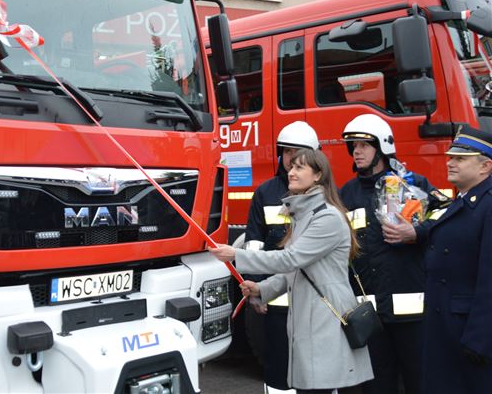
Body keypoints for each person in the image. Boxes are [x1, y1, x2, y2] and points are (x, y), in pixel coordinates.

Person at [210, 148, 373, 394]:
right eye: (291, 166)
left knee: (318, 389)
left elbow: (290, 259)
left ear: (318, 175)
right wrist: (262, 289)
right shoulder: (305, 214)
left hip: (325, 317)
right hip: (314, 315)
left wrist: (237, 255)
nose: (291, 172)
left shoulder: (326, 217)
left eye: (299, 167)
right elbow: (297, 271)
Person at [338, 114, 446, 394]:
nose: (357, 151)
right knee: (376, 386)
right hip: (370, 317)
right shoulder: (346, 194)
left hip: (412, 315)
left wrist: (417, 232)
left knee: (420, 382)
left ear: (383, 147)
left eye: (364, 145)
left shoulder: (412, 185)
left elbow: (446, 217)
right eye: (353, 146)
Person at [243, 121, 320, 393]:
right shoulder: (265, 193)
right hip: (277, 303)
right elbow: (253, 244)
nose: (291, 159)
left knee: (316, 371)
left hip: (314, 305)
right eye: (287, 152)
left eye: (298, 153)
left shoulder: (323, 197)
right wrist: (254, 286)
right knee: (278, 371)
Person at [422, 126, 492, 394]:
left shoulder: (487, 205)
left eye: (460, 159)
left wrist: (479, 339)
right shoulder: (463, 201)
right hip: (448, 327)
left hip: (469, 334)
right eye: (451, 157)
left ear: (485, 166)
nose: (450, 163)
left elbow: (489, 279)